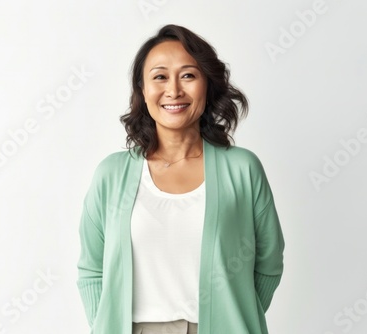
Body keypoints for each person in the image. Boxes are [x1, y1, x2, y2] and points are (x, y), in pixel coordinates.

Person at [77, 24, 285, 334]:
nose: (174, 90)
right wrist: (107, 323)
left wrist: (235, 315)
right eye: (160, 76)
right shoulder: (111, 174)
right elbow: (92, 270)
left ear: (207, 85)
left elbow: (268, 262)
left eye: (188, 75)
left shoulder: (242, 169)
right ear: (143, 90)